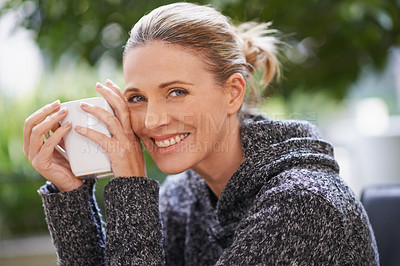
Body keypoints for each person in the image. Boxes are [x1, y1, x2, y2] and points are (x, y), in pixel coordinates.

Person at [23, 2, 379, 265]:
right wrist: (73, 196)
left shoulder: (305, 205)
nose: (152, 120)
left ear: (233, 92)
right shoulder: (183, 197)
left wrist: (131, 188)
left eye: (176, 91)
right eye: (137, 98)